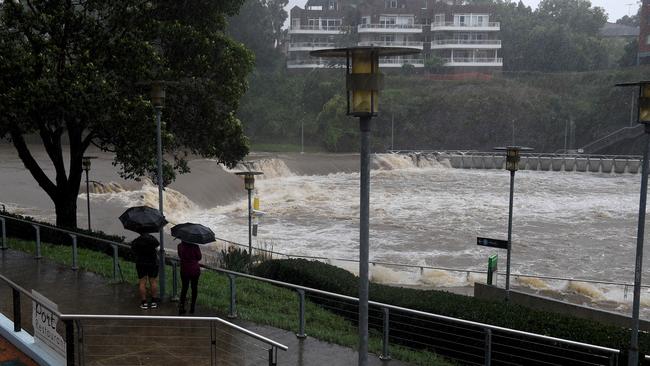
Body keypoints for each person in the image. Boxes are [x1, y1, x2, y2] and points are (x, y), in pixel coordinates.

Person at [131, 232, 160, 309]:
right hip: (152, 263)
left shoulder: (137, 240)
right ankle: (154, 302)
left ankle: (144, 303)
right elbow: (157, 246)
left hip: (141, 263)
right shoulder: (152, 239)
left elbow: (133, 249)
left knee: (142, 282)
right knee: (153, 281)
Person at [177, 240, 202, 315]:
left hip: (184, 270)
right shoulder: (195, 246)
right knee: (194, 288)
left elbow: (180, 256)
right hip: (194, 270)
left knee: (184, 288)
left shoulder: (180, 246)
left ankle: (181, 307)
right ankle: (192, 307)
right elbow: (199, 257)